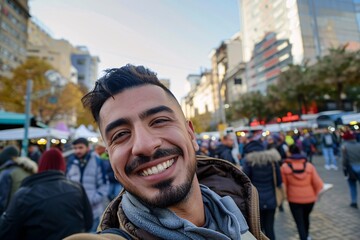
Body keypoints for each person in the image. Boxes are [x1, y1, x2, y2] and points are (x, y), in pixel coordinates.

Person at [66, 65, 266, 239]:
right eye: (120, 135)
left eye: (159, 121)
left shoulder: (241, 217)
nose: (144, 145)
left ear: (190, 134)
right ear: (109, 156)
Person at [0, 148, 93, 239]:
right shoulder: (77, 188)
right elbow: (89, 223)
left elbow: (6, 232)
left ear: (41, 165)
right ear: (63, 166)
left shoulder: (24, 194)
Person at [281, 144, 324, 240]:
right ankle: (307, 235)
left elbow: (284, 186)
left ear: (290, 153)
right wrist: (317, 195)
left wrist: (285, 197)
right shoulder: (309, 166)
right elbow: (318, 183)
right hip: (310, 199)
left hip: (294, 199)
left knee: (299, 222)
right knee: (306, 218)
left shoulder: (284, 167)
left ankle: (303, 237)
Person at [67, 138, 109, 232]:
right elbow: (67, 182)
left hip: (93, 210)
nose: (78, 150)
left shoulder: (97, 161)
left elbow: (104, 185)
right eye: (75, 148)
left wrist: (93, 199)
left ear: (87, 147)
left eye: (80, 147)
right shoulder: (71, 162)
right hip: (75, 210)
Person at [242, 140, 282, 240]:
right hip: (271, 200)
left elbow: (244, 181)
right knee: (270, 228)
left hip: (255, 202)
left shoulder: (249, 163)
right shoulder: (272, 162)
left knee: (258, 230)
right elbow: (279, 181)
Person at [0, 145, 37, 215]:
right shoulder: (27, 169)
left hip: (10, 215)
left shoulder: (7, 173)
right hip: (26, 214)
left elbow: (2, 201)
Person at [341, 131, 360, 208]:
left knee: (352, 185)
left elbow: (344, 160)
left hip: (351, 168)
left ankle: (354, 201)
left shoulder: (344, 146)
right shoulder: (359, 145)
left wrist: (344, 167)